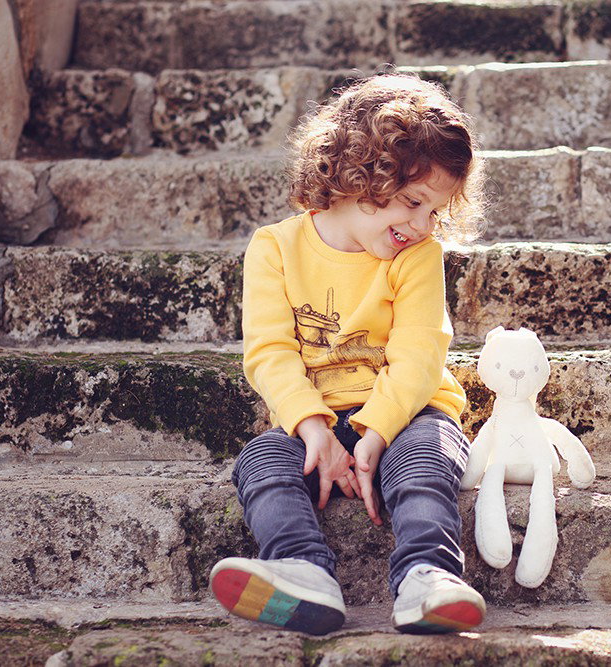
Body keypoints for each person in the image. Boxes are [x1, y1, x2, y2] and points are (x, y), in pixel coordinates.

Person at [209, 73, 487, 636]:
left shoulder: (417, 256)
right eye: (412, 202)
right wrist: (314, 431)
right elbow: (269, 351)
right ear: (358, 171)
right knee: (261, 462)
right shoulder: (275, 248)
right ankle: (302, 572)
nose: (421, 225)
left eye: (433, 212)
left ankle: (427, 577)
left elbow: (418, 353)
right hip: (313, 420)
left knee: (425, 463)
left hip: (408, 415)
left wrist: (378, 432)